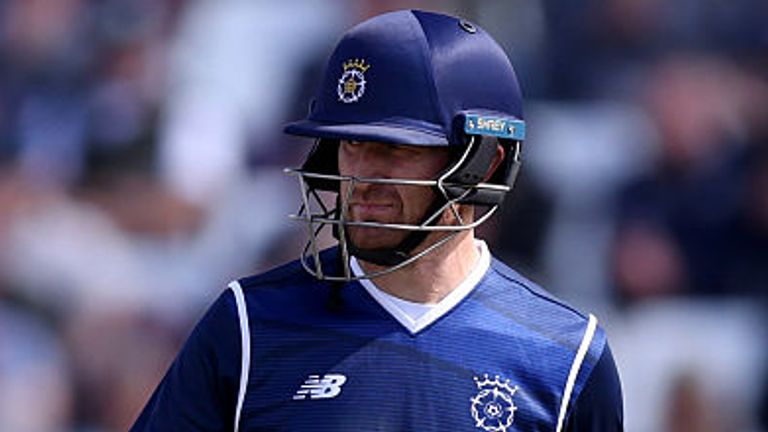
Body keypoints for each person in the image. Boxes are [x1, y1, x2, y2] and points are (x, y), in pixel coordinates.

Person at [132, 10, 623, 431]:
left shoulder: (568, 357)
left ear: (482, 164)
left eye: (394, 149)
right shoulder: (248, 324)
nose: (362, 177)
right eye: (351, 145)